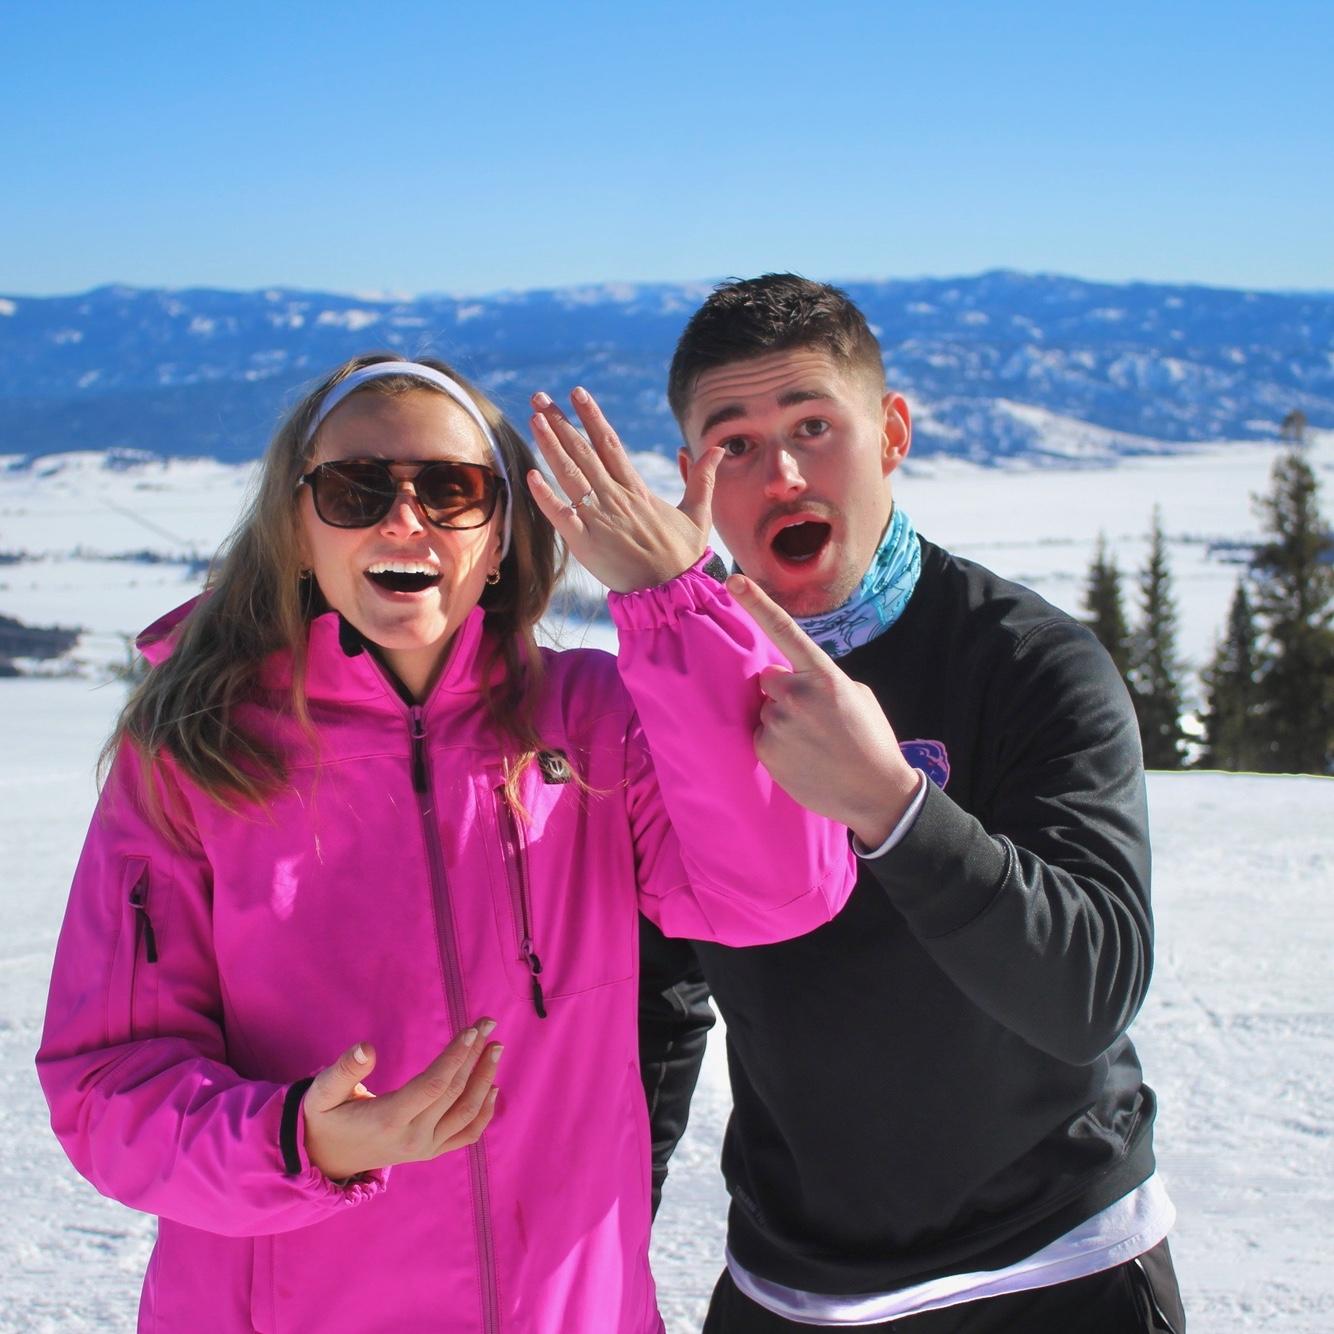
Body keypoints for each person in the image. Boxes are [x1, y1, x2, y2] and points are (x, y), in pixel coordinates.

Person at [36, 353, 856, 1334]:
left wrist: (679, 599)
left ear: (500, 534)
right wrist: (302, 1143)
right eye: (354, 489)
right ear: (298, 528)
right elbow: (106, 1089)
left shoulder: (593, 720)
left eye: (451, 489)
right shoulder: (198, 754)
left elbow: (780, 890)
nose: (402, 519)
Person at [641, 275, 1187, 1331]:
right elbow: (655, 999)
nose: (781, 474)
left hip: (1056, 1268)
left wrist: (891, 806)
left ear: (890, 433)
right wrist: (607, 1234)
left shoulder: (1029, 665)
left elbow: (1090, 991)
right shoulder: (681, 697)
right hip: (793, 1283)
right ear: (692, 478)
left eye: (812, 425)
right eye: (734, 443)